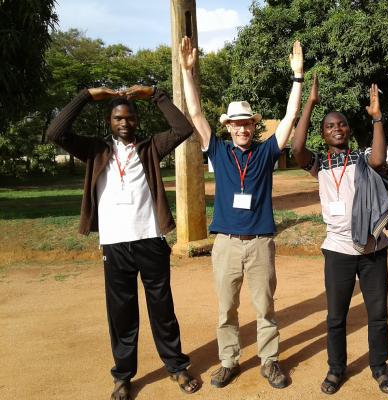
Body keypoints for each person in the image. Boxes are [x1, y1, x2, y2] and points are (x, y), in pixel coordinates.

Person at [47, 84, 200, 400]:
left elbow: (183, 128)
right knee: (121, 314)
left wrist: (155, 95)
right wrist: (87, 96)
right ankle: (123, 376)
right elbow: (56, 132)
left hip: (150, 240)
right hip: (115, 245)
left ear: (136, 121)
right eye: (118, 118)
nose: (125, 123)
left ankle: (176, 366)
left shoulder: (150, 147)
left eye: (129, 118)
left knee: (163, 310)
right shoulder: (95, 150)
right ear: (109, 121)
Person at [179, 36, 303, 389]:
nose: (243, 128)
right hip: (227, 245)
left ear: (253, 126)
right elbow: (196, 114)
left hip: (261, 243)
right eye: (237, 123)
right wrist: (188, 73)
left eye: (248, 123)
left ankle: (269, 361)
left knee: (264, 308)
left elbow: (291, 116)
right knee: (226, 310)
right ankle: (228, 360)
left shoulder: (265, 153)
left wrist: (296, 77)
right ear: (228, 127)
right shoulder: (217, 151)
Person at [292, 75, 388, 395]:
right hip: (338, 250)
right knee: (336, 316)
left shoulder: (361, 159)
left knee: (377, 314)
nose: (336, 128)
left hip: (372, 249)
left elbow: (380, 159)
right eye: (329, 126)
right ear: (323, 133)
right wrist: (310, 104)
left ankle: (379, 367)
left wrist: (377, 118)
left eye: (341, 124)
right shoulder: (318, 164)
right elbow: (296, 147)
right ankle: (336, 369)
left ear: (349, 130)